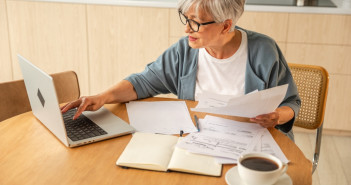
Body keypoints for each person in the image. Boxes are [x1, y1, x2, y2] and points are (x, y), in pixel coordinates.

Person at [61, 0, 300, 141]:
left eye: (196, 22)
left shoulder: (264, 51)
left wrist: (278, 116)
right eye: (185, 18)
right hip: (199, 142)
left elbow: (291, 103)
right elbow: (143, 82)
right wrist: (102, 97)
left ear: (226, 25)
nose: (187, 29)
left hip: (251, 147)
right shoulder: (184, 52)